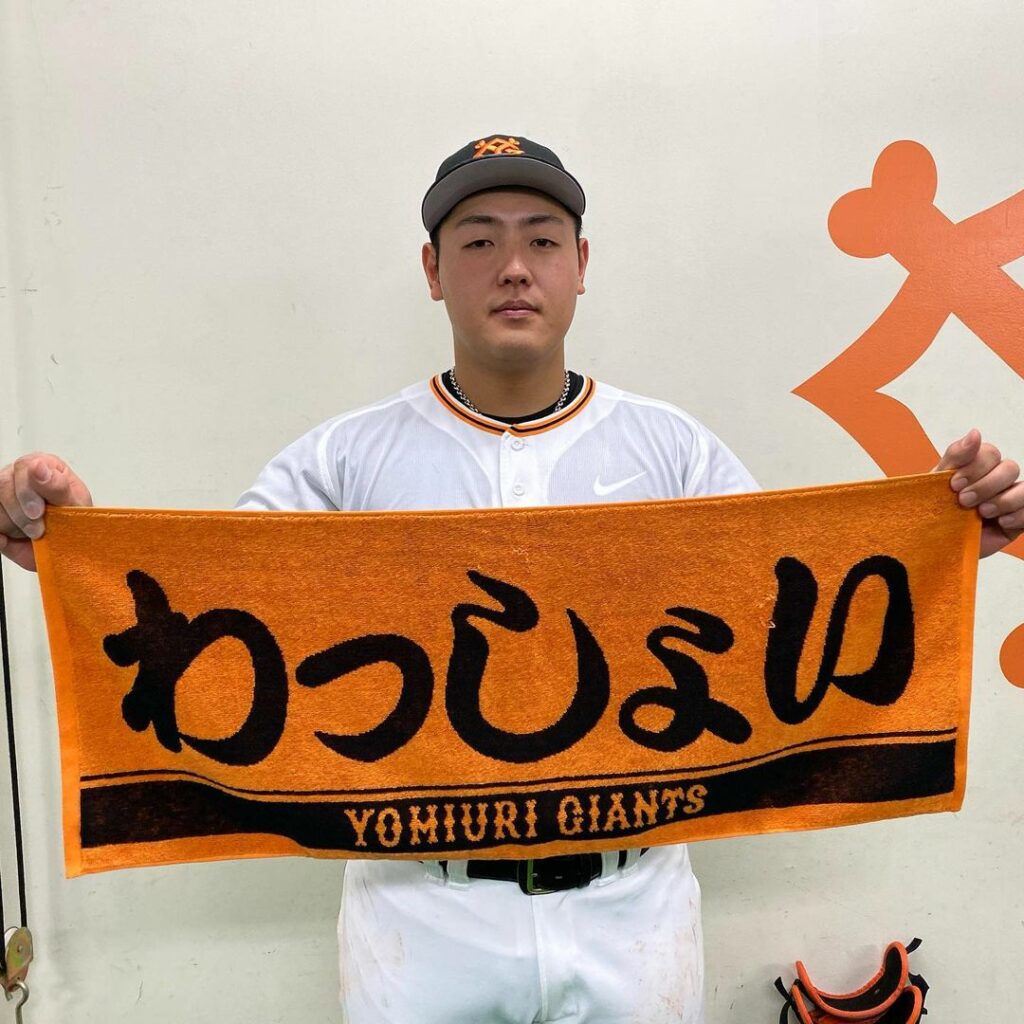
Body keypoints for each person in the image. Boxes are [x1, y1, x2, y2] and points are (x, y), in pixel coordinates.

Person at [1, 134, 1022, 1024]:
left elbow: (788, 619)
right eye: (478, 241)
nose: (514, 267)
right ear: (432, 270)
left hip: (632, 901)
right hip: (419, 907)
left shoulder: (672, 451)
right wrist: (74, 544)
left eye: (541, 239)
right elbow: (211, 620)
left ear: (582, 265)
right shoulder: (343, 460)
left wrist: (942, 544)